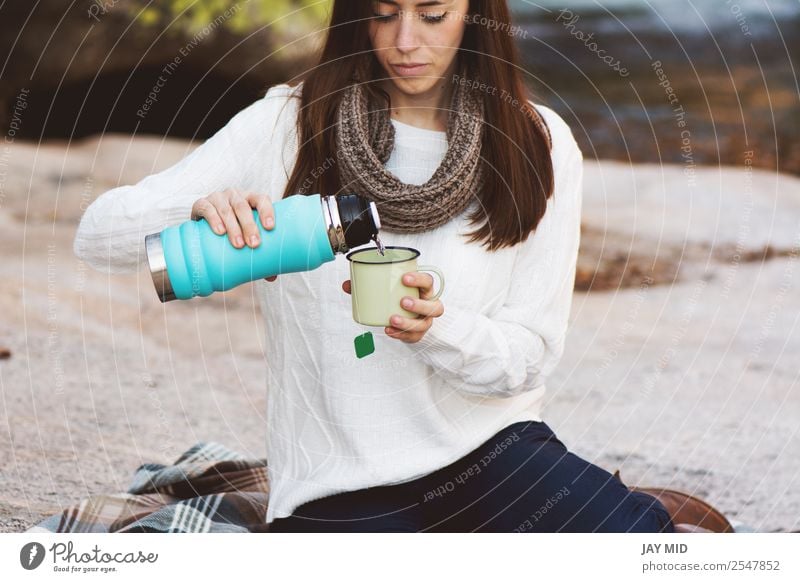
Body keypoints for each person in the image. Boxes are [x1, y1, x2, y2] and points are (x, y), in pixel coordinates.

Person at [73, 0, 674, 533]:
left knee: (642, 545)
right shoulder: (286, 123)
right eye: (384, 13)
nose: (405, 40)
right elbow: (96, 237)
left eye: (432, 14)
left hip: (490, 451)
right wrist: (199, 213)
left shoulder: (537, 140)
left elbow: (530, 356)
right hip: (340, 477)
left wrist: (435, 328)